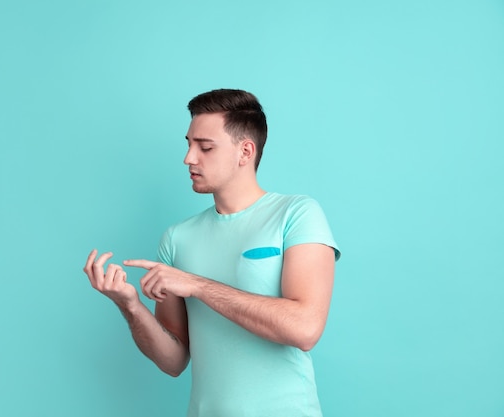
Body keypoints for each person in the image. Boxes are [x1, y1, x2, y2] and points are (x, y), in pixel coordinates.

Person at [83, 89, 340, 417]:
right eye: (189, 144)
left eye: (205, 147)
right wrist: (130, 305)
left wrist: (197, 285)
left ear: (245, 151)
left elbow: (305, 329)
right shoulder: (177, 238)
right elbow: (173, 360)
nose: (189, 158)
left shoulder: (297, 214)